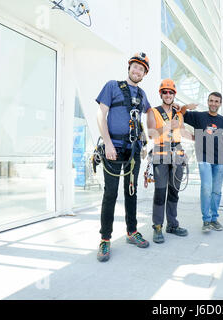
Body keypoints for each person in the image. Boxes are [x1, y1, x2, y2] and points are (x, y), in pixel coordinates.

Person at [95, 52, 152, 262]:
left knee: (131, 191)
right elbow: (101, 114)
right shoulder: (112, 86)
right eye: (135, 67)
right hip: (114, 148)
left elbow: (144, 120)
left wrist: (145, 142)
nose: (137, 71)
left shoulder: (143, 95)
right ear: (129, 68)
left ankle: (132, 231)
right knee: (110, 193)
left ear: (144, 74)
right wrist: (108, 143)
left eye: (142, 69)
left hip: (133, 151)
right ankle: (105, 239)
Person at [147, 79, 190, 244]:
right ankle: (157, 226)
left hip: (177, 153)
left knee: (174, 192)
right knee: (160, 191)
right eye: (164, 92)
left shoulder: (179, 114)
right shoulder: (153, 111)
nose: (167, 94)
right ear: (160, 94)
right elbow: (151, 134)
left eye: (170, 92)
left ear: (174, 95)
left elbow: (182, 132)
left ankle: (172, 224)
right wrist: (167, 126)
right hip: (160, 153)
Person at [181, 92, 223, 232]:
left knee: (217, 191)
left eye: (216, 101)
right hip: (204, 158)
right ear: (208, 102)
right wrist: (185, 106)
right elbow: (181, 114)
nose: (213, 103)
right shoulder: (198, 116)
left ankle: (214, 218)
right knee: (207, 188)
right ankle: (206, 220)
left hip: (219, 160)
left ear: (220, 103)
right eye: (211, 100)